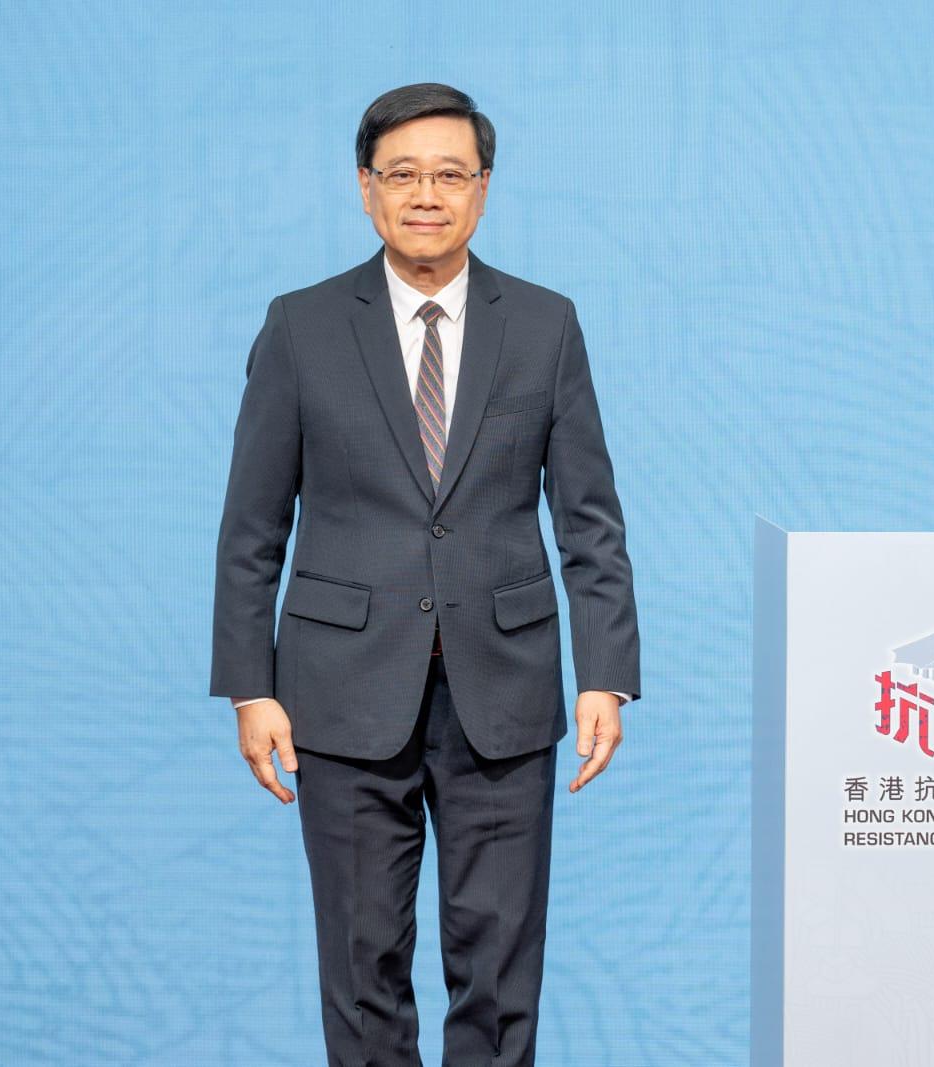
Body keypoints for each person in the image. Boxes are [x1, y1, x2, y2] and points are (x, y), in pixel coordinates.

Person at [209, 82, 641, 1065]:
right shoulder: (302, 325)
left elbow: (590, 518)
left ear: (483, 188)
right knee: (362, 964)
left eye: (450, 174)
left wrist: (605, 673)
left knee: (499, 969)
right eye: (402, 174)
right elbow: (251, 528)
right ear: (365, 188)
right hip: (340, 690)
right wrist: (249, 686)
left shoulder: (545, 324)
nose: (426, 195)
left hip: (504, 688)